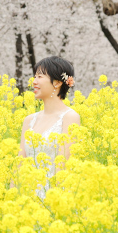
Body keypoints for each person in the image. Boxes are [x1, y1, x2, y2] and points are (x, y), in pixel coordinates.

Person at [19, 56, 81, 200]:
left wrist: (52, 202)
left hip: (54, 199)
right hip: (27, 200)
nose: (34, 82)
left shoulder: (70, 118)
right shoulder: (29, 120)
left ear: (58, 82)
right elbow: (19, 164)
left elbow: (62, 164)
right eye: (34, 77)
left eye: (39, 76)